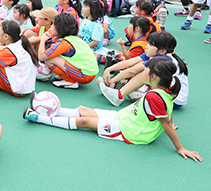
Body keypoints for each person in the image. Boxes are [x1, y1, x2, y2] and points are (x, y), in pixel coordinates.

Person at [24, 58, 202, 162]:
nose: (142, 73)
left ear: (153, 76)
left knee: (84, 122)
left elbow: (165, 120)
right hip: (124, 117)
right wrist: (169, 123)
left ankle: (38, 117)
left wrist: (180, 147)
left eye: (144, 70)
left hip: (129, 132)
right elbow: (167, 114)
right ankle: (46, 107)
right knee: (84, 109)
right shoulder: (165, 89)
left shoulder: (154, 96)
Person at [98, 32, 189, 109]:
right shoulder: (158, 54)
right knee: (138, 72)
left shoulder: (163, 59)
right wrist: (109, 69)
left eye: (151, 45)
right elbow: (129, 62)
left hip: (174, 100)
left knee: (144, 71)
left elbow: (132, 70)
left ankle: (119, 95)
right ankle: (119, 89)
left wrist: (111, 81)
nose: (147, 47)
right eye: (148, 43)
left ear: (162, 51)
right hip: (167, 92)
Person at [38, 13, 98, 89]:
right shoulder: (72, 38)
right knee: (54, 55)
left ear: (60, 28)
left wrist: (42, 40)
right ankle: (66, 76)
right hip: (88, 73)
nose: (51, 26)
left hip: (85, 76)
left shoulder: (64, 43)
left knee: (49, 59)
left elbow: (42, 57)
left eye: (54, 24)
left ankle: (70, 82)